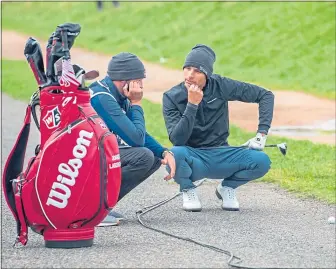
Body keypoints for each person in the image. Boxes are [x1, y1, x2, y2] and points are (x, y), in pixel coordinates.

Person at [162, 44, 274, 212]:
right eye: (187, 68)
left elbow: (265, 95)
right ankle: (187, 189)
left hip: (222, 153)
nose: (190, 75)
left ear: (207, 74)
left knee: (261, 161)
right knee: (175, 154)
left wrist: (261, 134)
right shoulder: (171, 96)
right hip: (194, 158)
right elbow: (178, 139)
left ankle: (227, 188)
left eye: (197, 71)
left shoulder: (221, 85)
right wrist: (192, 104)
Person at [89, 52, 176, 226]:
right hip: (81, 160)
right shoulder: (101, 98)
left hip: (91, 155)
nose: (141, 86)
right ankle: (92, 210)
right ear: (124, 80)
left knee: (153, 157)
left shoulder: (115, 94)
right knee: (143, 156)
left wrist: (164, 152)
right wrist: (137, 103)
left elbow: (139, 134)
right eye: (138, 80)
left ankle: (102, 206)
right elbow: (136, 139)